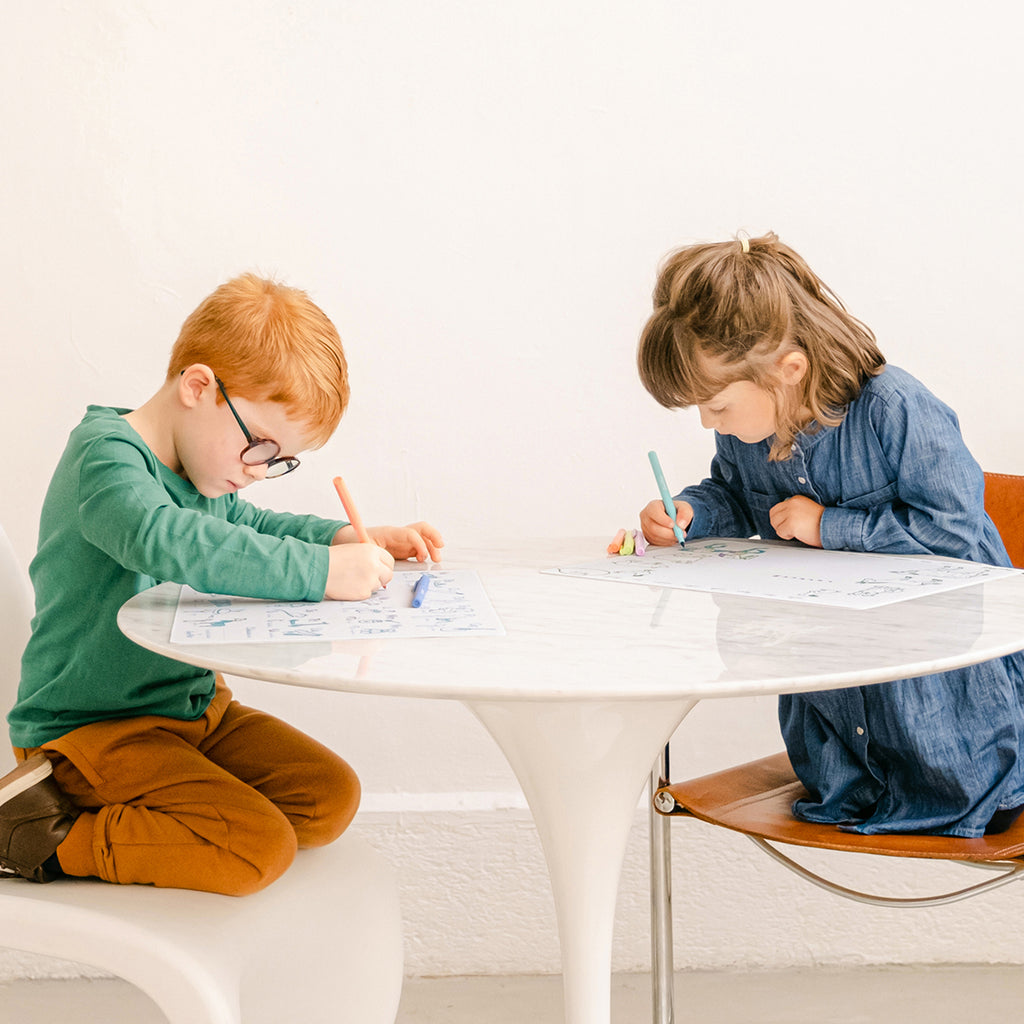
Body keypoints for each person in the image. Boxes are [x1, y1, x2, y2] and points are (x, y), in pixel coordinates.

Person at [0, 273, 443, 893]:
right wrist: (321, 573)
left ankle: (163, 814)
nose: (260, 471)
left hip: (195, 710)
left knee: (329, 798)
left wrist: (343, 540)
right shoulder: (104, 456)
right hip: (93, 729)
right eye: (260, 446)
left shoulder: (201, 472)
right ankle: (37, 836)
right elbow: (162, 536)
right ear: (199, 387)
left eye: (279, 460)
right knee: (258, 848)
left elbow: (252, 526)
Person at [635, 231, 1024, 837]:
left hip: (948, 715)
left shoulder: (895, 408)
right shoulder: (747, 432)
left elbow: (953, 529)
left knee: (946, 762)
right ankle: (860, 781)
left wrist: (828, 526)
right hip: (834, 748)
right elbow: (736, 497)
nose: (710, 421)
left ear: (788, 370)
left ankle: (927, 789)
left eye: (716, 405)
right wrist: (690, 513)